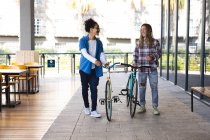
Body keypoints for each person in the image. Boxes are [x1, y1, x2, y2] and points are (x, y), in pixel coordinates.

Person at [79, 18, 107, 118]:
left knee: (94, 89)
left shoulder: (99, 42)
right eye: (96, 28)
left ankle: (94, 110)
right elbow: (85, 54)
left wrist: (105, 62)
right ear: (91, 29)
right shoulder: (83, 40)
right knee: (84, 89)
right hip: (84, 69)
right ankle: (87, 107)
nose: (97, 29)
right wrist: (95, 60)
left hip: (94, 69)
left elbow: (101, 54)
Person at [132, 23, 161, 115]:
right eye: (141, 29)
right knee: (142, 88)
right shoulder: (138, 42)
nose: (142, 31)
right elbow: (135, 54)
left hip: (152, 69)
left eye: (144, 29)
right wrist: (134, 62)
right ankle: (142, 106)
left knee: (154, 88)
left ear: (149, 30)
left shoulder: (155, 42)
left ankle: (155, 107)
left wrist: (152, 57)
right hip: (141, 70)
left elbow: (159, 53)